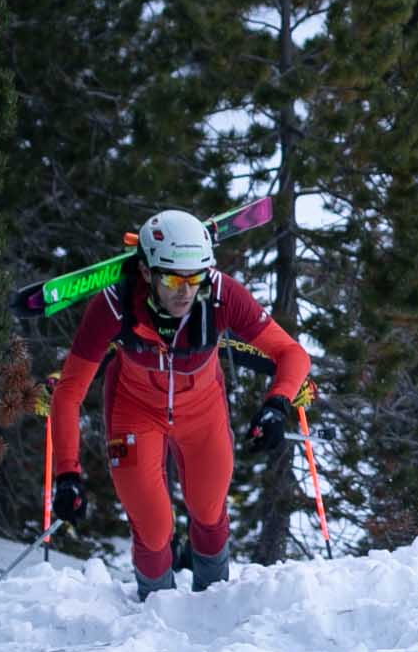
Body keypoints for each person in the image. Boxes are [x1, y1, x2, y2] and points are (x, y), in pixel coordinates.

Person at [48, 208, 312, 600]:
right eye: (172, 279)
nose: (185, 291)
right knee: (153, 530)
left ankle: (214, 605)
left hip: (202, 412)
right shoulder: (114, 305)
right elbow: (69, 392)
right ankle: (155, 610)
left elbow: (292, 353)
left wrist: (277, 403)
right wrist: (67, 474)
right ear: (146, 272)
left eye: (195, 278)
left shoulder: (221, 294)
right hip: (134, 412)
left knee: (209, 512)